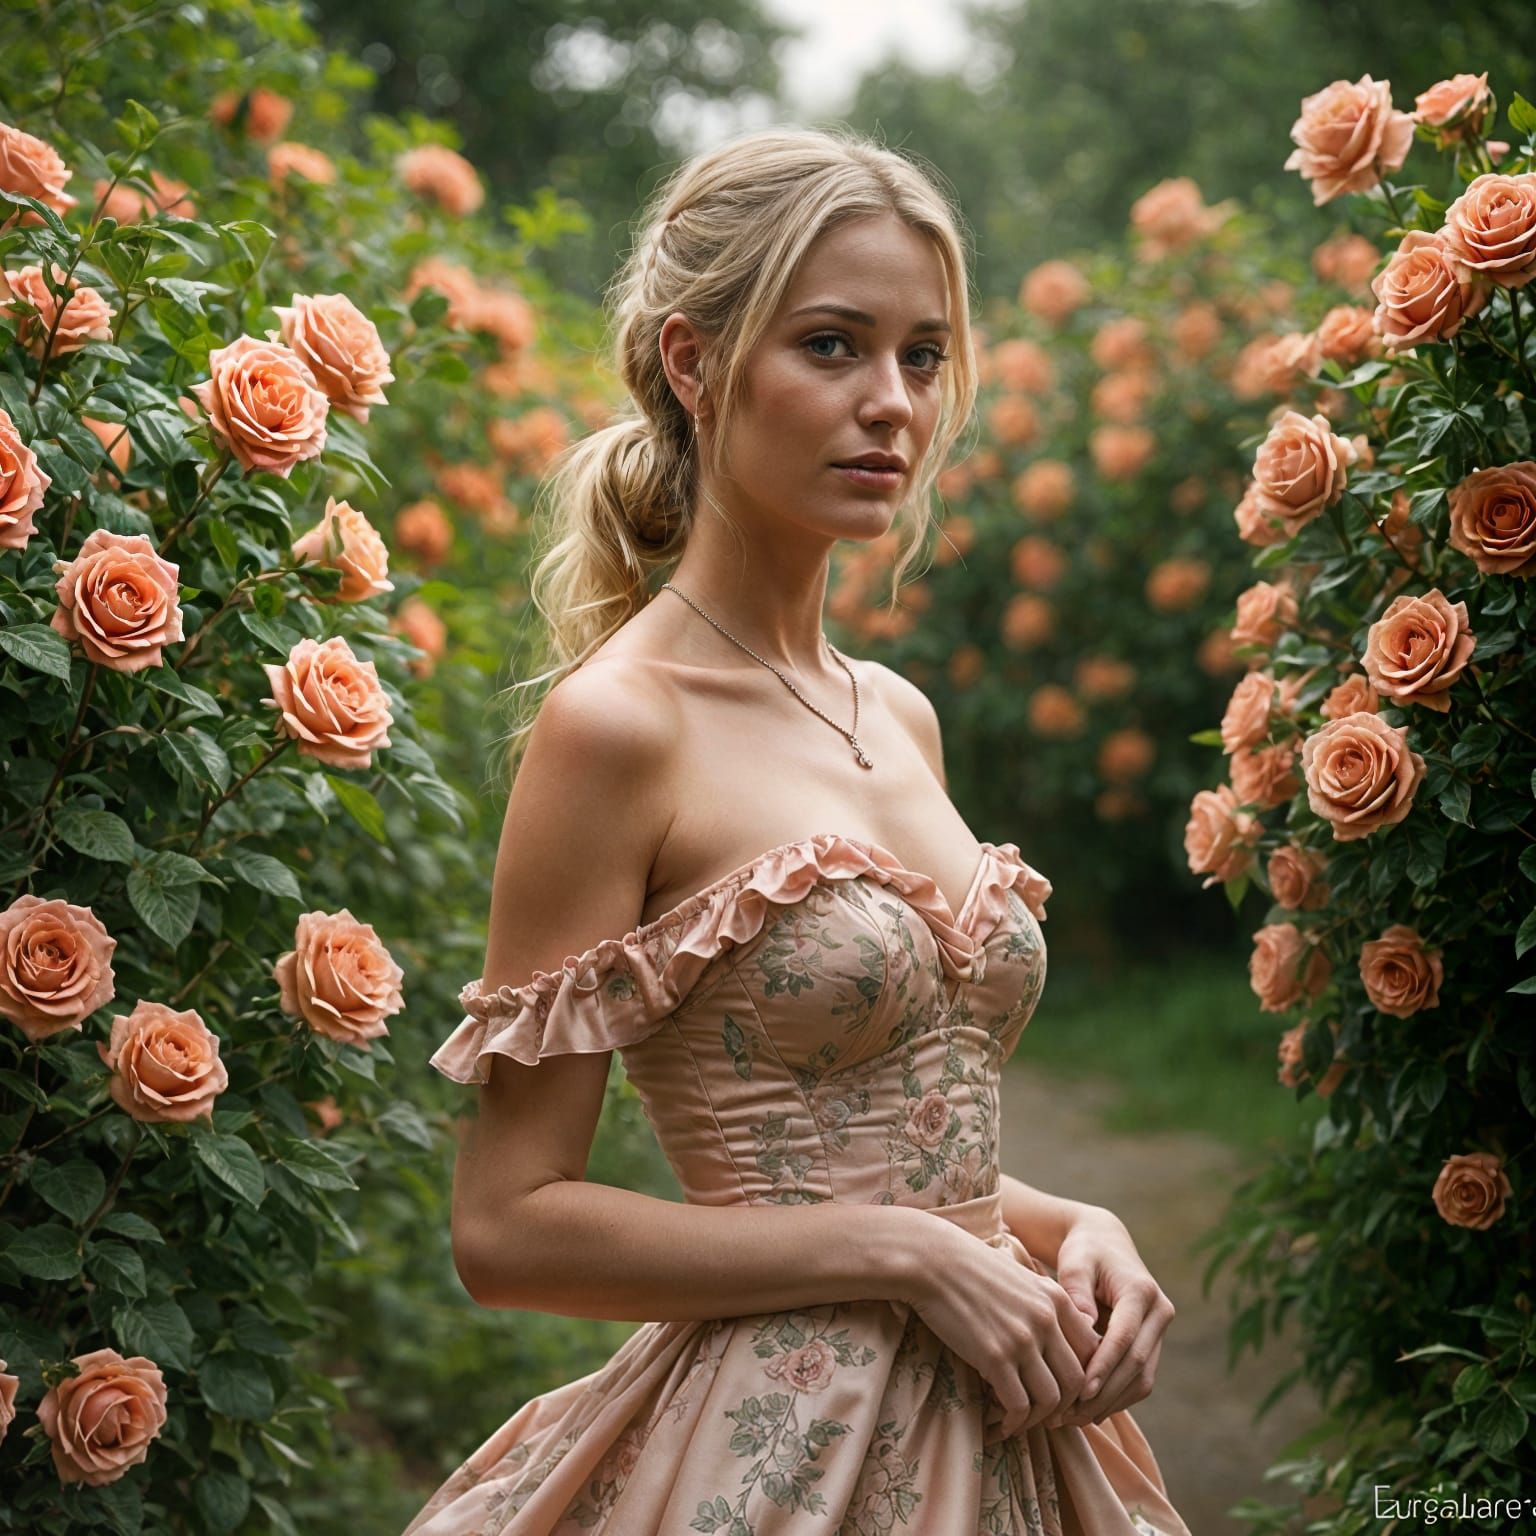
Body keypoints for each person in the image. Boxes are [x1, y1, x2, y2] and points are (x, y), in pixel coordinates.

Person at [405, 124, 1190, 1536]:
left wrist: (1075, 1231)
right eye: (832, 346)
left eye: (922, 355)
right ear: (695, 365)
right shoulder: (619, 726)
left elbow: (897, 1146)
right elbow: (508, 1225)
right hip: (779, 1462)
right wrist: (895, 1256)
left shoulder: (898, 712)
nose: (891, 402)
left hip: (1022, 1438)